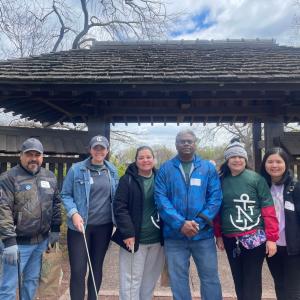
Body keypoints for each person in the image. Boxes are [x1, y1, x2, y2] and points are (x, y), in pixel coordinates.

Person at [155, 129, 222, 300]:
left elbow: (215, 198)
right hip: (175, 235)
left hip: (203, 235)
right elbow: (161, 200)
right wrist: (180, 224)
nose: (186, 144)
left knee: (210, 279)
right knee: (178, 280)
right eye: (182, 141)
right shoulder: (165, 169)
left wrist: (198, 223)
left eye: (189, 141)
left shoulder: (208, 168)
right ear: (176, 144)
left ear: (195, 143)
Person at [215, 138, 279, 300]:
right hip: (230, 238)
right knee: (238, 278)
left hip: (254, 237)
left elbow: (268, 210)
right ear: (227, 160)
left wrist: (272, 238)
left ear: (245, 159)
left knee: (252, 280)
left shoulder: (257, 179)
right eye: (233, 157)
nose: (237, 160)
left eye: (240, 157)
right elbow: (218, 211)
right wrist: (219, 235)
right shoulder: (221, 181)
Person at [0, 138, 61, 300]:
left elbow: (55, 204)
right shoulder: (8, 178)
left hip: (40, 242)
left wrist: (55, 229)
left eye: (37, 155)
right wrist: (8, 242)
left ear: (42, 157)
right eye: (29, 154)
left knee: (31, 281)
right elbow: (2, 210)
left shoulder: (49, 177)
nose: (33, 158)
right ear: (21, 156)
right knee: (8, 286)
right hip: (17, 244)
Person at [61, 135, 118, 300]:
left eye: (102, 148)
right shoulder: (76, 169)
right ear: (90, 150)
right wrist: (74, 213)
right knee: (79, 270)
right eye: (96, 148)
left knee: (96, 267)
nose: (99, 151)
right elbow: (65, 194)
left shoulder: (112, 170)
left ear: (107, 151)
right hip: (80, 227)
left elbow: (116, 197)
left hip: (104, 227)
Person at [112, 146, 164, 300]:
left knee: (149, 281)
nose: (145, 160)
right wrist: (128, 233)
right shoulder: (127, 180)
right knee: (131, 281)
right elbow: (119, 207)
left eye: (148, 157)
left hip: (157, 240)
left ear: (154, 160)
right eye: (141, 157)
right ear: (136, 160)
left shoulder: (161, 178)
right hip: (134, 240)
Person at [260, 147, 300, 300]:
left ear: (286, 164)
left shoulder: (295, 187)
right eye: (270, 161)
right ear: (265, 164)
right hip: (271, 245)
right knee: (280, 284)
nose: (274, 165)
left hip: (292, 247)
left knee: (293, 289)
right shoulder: (262, 186)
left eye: (278, 161)